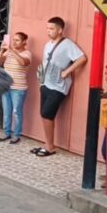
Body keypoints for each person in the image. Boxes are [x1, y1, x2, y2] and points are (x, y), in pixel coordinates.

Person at [32, 17, 87, 157]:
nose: (48, 31)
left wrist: (67, 72)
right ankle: (47, 143)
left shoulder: (67, 44)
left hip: (59, 87)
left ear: (60, 30)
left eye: (51, 29)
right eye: (47, 28)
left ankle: (50, 147)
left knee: (47, 114)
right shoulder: (48, 44)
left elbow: (82, 58)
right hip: (46, 83)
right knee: (44, 115)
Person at [0, 32, 32, 144]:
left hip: (18, 88)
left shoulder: (27, 53)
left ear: (24, 42)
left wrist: (12, 50)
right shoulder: (8, 52)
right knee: (7, 111)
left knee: (16, 112)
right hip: (6, 87)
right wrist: (2, 50)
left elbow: (23, 63)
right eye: (13, 40)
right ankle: (6, 133)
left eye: (17, 40)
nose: (14, 42)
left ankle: (16, 134)